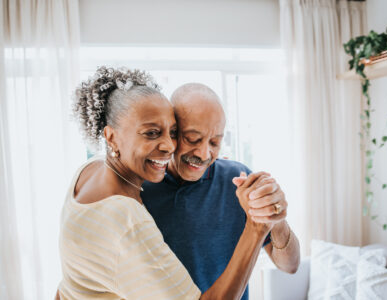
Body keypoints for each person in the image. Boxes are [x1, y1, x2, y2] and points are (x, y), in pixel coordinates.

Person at [57, 67, 273, 300]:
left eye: (172, 132)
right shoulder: (128, 220)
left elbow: (69, 285)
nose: (169, 146)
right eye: (151, 133)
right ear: (111, 137)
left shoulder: (88, 171)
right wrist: (256, 228)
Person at [142, 83, 300, 300]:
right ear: (171, 131)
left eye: (215, 142)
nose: (204, 153)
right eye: (193, 139)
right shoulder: (140, 189)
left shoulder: (238, 179)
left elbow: (290, 266)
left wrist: (276, 219)